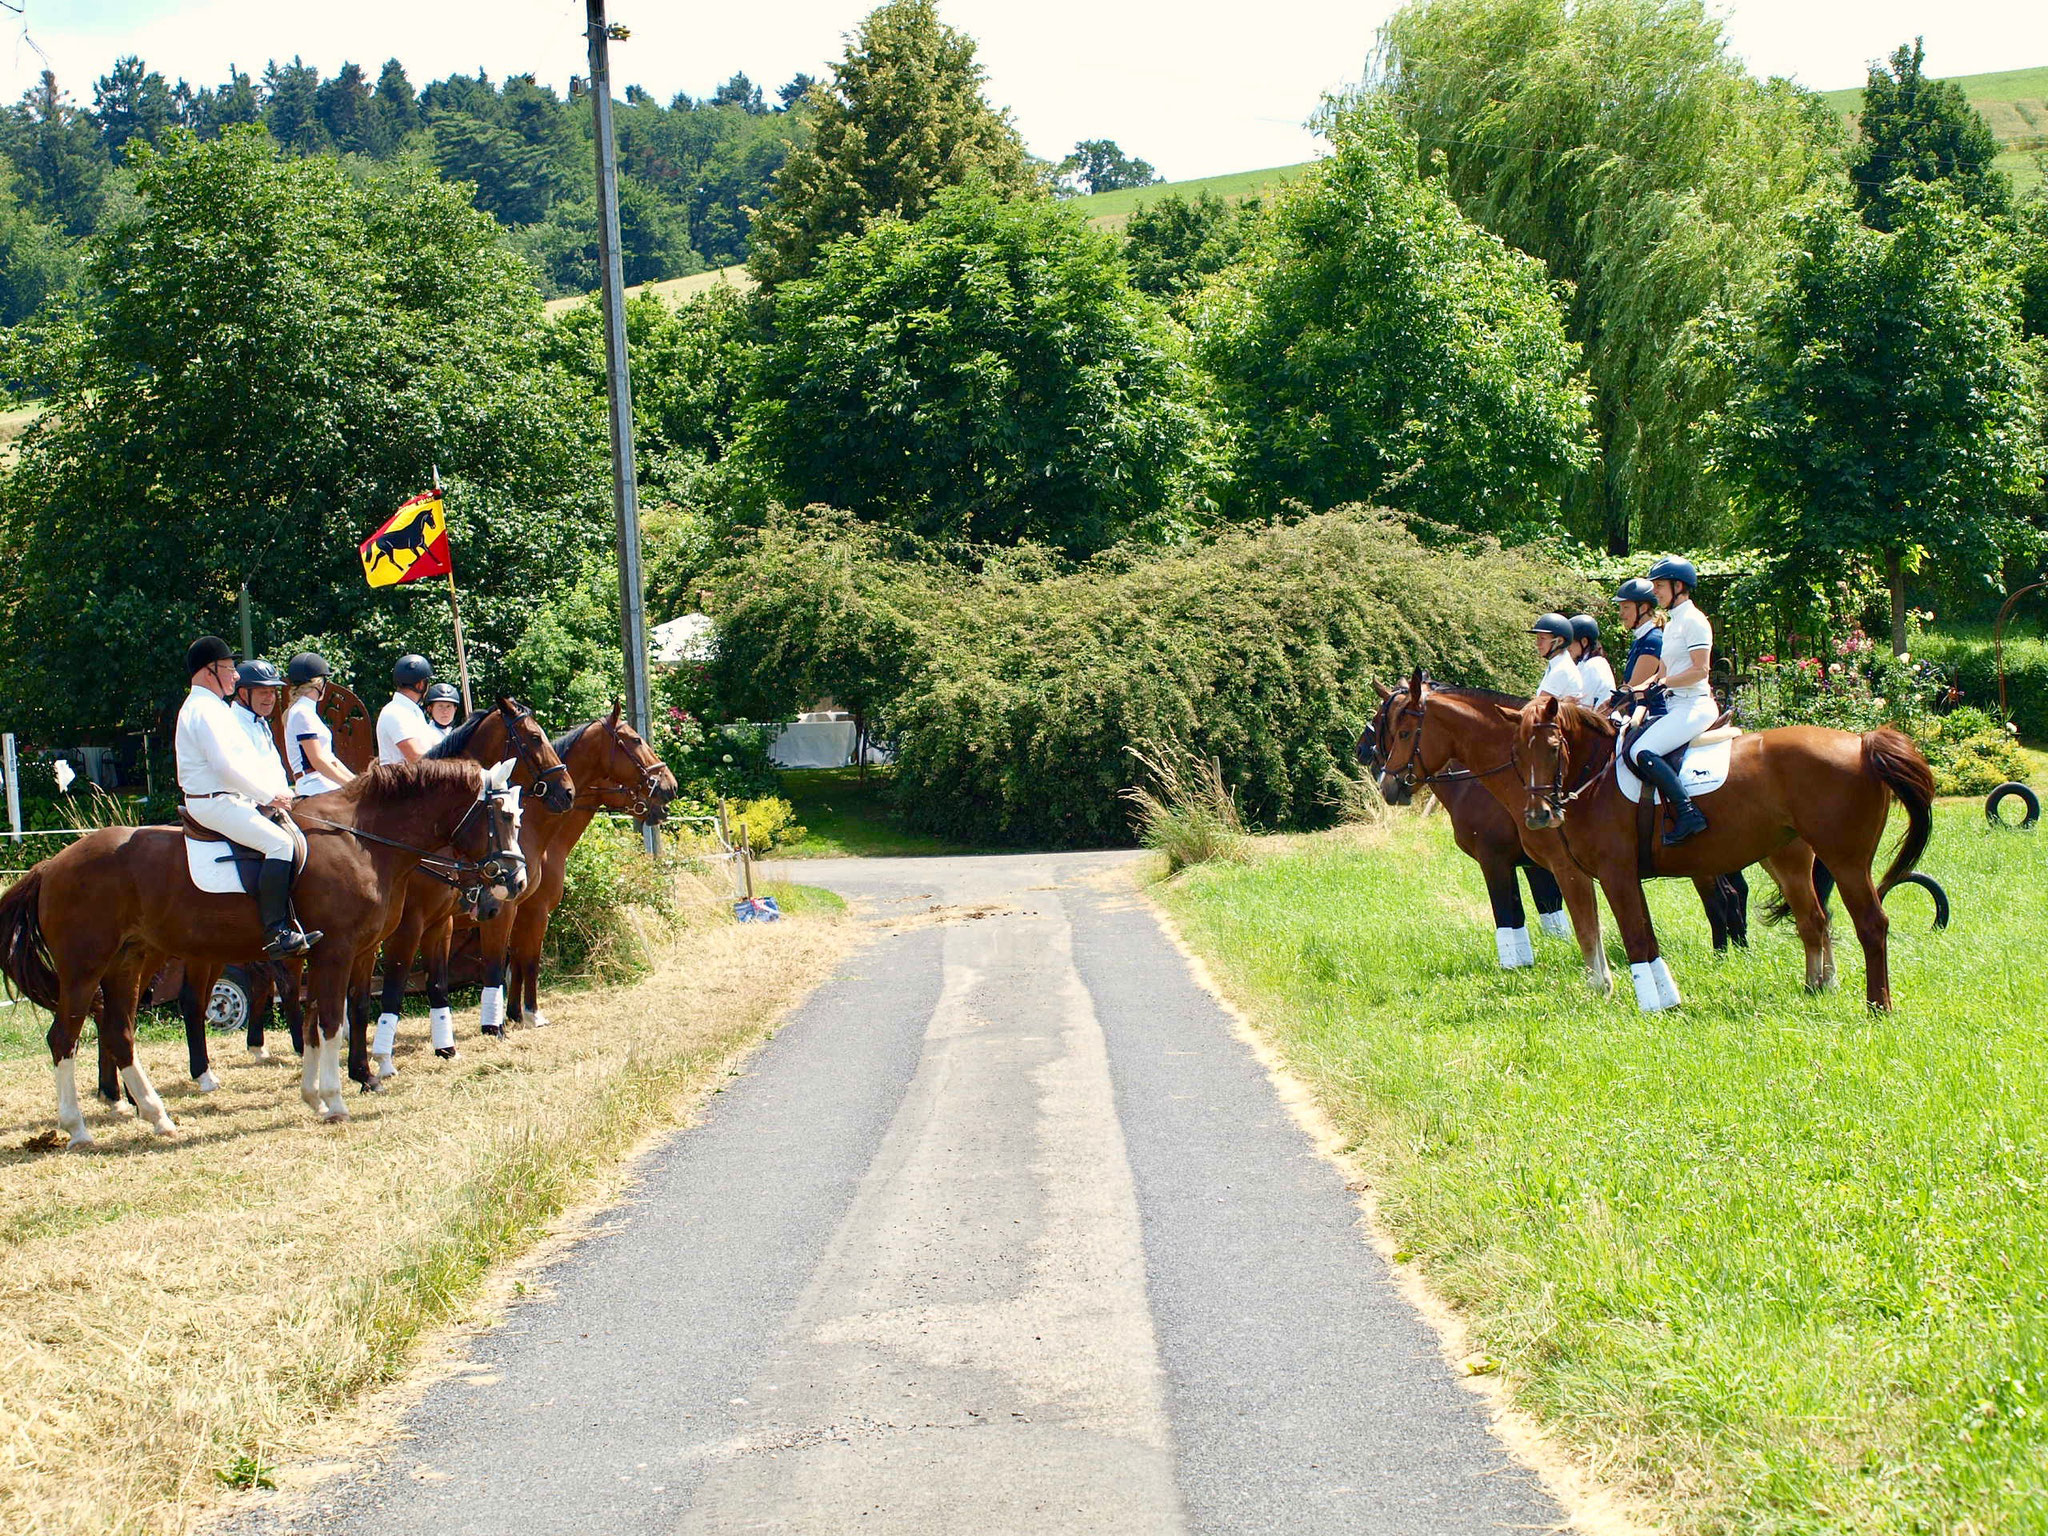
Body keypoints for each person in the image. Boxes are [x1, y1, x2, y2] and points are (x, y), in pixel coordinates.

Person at [175, 636, 319, 958]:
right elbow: (226, 767)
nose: (236, 675)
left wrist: (278, 792)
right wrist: (269, 795)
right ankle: (275, 932)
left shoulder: (213, 707)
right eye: (228, 668)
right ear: (208, 671)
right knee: (279, 844)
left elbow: (247, 762)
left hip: (229, 798)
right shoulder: (203, 710)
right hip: (215, 801)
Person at [1628, 557, 1716, 845]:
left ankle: (1688, 812)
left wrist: (1664, 683)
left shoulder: (1695, 621)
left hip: (1695, 705)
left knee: (1642, 750)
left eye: (1660, 586)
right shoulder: (1672, 624)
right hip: (1676, 705)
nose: (1655, 592)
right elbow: (1661, 674)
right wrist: (1630, 692)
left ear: (1679, 586)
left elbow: (1700, 670)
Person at [284, 652, 355, 797]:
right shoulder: (301, 712)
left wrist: (357, 782)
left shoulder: (306, 712)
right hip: (313, 784)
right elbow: (317, 760)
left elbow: (330, 759)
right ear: (318, 683)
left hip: (323, 780)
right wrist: (350, 786)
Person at [1611, 577, 1664, 710]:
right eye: (1620, 608)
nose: (1621, 614)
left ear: (1643, 608)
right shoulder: (1640, 640)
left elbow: (1634, 685)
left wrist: (1607, 708)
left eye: (1626, 607)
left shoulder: (1653, 640)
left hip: (1652, 712)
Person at [377, 654, 438, 766]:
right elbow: (415, 756)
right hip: (398, 781)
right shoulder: (396, 712)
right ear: (420, 685)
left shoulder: (411, 711)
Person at [230, 659, 289, 773]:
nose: (270, 698)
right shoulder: (234, 725)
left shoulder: (258, 720)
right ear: (243, 693)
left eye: (272, 692)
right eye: (263, 692)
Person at [1529, 612, 1584, 702]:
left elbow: (1538, 705)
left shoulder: (1562, 669)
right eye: (1537, 638)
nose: (1538, 644)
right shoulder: (1557, 664)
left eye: (1542, 638)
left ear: (1559, 641)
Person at [1569, 615, 1615, 710]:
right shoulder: (1588, 663)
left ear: (1584, 642)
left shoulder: (1593, 665)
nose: (1567, 648)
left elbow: (1581, 704)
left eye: (1570, 642)